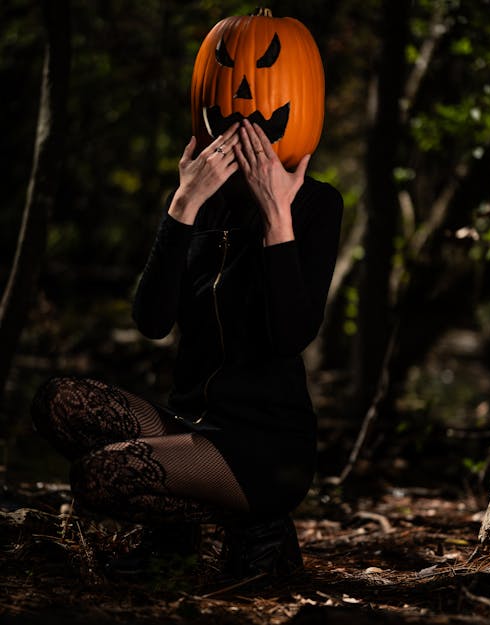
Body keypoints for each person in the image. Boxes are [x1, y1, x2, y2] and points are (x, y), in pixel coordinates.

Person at [30, 116, 343, 581]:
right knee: (58, 403)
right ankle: (174, 540)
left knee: (100, 475)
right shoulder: (204, 199)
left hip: (263, 446)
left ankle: (259, 523)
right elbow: (151, 321)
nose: (244, 117)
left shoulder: (317, 202)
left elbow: (291, 336)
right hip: (189, 422)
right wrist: (184, 201)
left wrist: (277, 213)